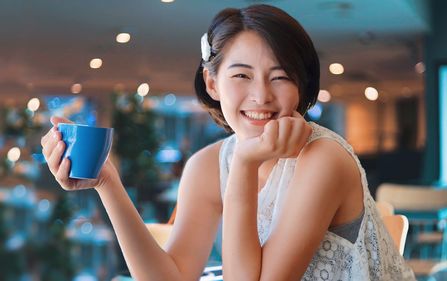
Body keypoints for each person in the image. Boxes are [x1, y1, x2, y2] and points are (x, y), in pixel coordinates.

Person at [40, 4, 415, 281]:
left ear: (301, 86)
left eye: (280, 77)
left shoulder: (323, 159)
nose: (261, 95)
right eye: (241, 75)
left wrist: (246, 164)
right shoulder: (207, 165)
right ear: (212, 83)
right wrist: (108, 183)